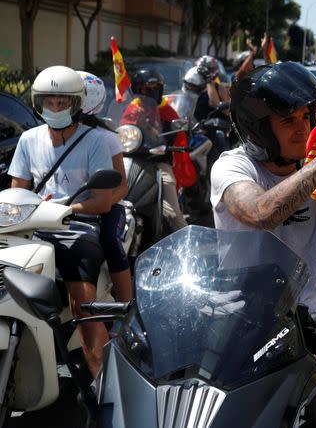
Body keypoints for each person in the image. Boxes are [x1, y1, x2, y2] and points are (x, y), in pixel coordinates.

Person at [210, 62, 316, 428]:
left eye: (307, 117)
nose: (303, 128)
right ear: (259, 128)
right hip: (243, 323)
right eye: (288, 120)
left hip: (314, 326)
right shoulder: (232, 167)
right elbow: (260, 212)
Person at [8, 66, 114, 377]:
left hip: (77, 229)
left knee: (84, 308)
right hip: (36, 228)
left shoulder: (95, 141)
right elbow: (18, 194)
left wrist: (66, 207)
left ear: (76, 104)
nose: (55, 108)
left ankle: (104, 382)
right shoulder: (28, 140)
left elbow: (103, 200)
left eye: (62, 102)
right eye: (49, 102)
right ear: (39, 104)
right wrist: (32, 208)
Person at [77, 71, 133, 304]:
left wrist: (101, 204)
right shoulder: (44, 137)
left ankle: (125, 306)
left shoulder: (107, 138)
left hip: (105, 209)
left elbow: (121, 186)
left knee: (110, 240)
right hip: (62, 211)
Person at [124, 68, 188, 233]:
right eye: (144, 89)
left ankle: (188, 244)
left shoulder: (166, 109)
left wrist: (146, 124)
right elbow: (122, 135)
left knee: (173, 214)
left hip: (158, 162)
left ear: (159, 90)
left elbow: (169, 136)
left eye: (153, 89)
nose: (148, 93)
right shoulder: (132, 109)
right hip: (133, 161)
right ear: (137, 90)